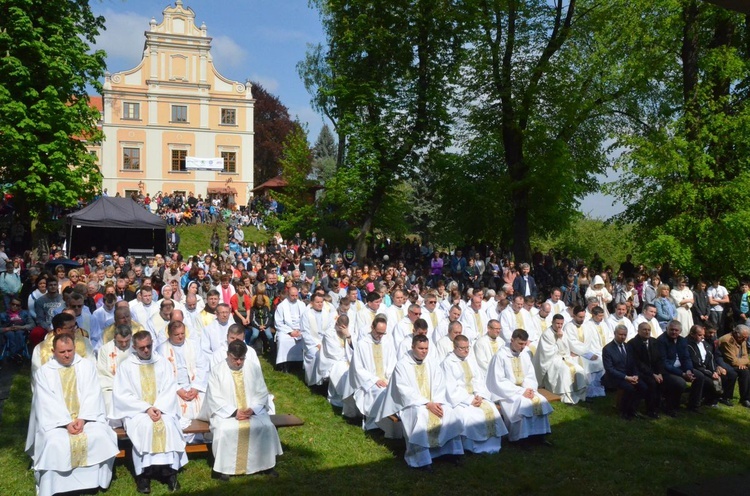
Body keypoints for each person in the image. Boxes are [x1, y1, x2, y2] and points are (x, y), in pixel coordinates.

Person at [30, 334, 119, 496]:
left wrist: (82, 418)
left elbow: (92, 395)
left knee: (100, 435)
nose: (67, 355)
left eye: (70, 350)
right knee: (55, 442)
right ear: (53, 351)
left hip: (86, 418)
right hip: (55, 423)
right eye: (62, 351)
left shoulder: (86, 366)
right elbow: (47, 402)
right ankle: (56, 485)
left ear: (74, 349)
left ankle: (94, 482)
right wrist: (66, 422)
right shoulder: (44, 372)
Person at [113, 331, 187, 493]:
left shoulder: (162, 362)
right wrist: (146, 408)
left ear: (152, 343)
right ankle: (144, 476)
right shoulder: (126, 366)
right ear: (134, 347)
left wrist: (158, 407)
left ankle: (170, 472)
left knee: (168, 425)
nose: (146, 350)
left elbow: (169, 388)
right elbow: (122, 394)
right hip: (136, 412)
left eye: (149, 346)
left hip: (163, 408)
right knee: (145, 427)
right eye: (141, 348)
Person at [376, 334, 464, 470]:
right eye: (421, 348)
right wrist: (427, 404)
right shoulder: (402, 365)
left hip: (434, 401)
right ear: (412, 347)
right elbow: (404, 391)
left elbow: (439, 384)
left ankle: (450, 452)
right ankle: (421, 459)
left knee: (449, 412)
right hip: (410, 405)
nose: (424, 351)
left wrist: (436, 402)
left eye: (426, 348)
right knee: (420, 416)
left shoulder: (432, 362)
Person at [205, 340, 283, 480]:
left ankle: (266, 465)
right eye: (235, 359)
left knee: (266, 426)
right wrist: (234, 412)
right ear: (228, 355)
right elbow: (214, 397)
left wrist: (253, 409)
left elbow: (261, 391)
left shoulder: (252, 367)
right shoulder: (217, 370)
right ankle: (224, 469)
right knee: (224, 430)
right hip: (226, 415)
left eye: (242, 358)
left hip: (251, 412)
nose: (239, 362)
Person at [441, 335, 508, 453]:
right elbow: (451, 388)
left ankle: (492, 445)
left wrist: (479, 395)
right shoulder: (448, 363)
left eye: (467, 347)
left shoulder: (470, 359)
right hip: (459, 400)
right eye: (462, 348)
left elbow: (478, 379)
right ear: (454, 347)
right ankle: (472, 446)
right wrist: (469, 399)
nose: (466, 350)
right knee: (470, 416)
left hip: (476, 396)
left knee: (492, 410)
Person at [486, 329, 553, 443]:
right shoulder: (501, 356)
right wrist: (520, 391)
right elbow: (499, 381)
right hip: (507, 393)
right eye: (520, 344)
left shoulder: (525, 354)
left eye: (524, 344)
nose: (522, 347)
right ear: (512, 340)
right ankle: (521, 438)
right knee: (524, 404)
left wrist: (529, 389)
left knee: (540, 400)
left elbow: (530, 375)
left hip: (524, 389)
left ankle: (539, 436)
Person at [157, 320, 209, 437]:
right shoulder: (161, 349)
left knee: (206, 404)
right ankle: (181, 438)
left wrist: (195, 388)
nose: (180, 337)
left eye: (182, 333)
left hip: (194, 386)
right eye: (177, 334)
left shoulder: (193, 345)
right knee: (173, 407)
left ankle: (203, 437)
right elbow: (162, 374)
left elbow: (202, 366)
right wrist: (178, 390)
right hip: (173, 388)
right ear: (169, 334)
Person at [349, 315, 397, 432]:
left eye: (383, 333)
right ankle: (374, 424)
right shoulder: (362, 344)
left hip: (386, 379)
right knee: (381, 393)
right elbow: (358, 369)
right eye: (378, 332)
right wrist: (375, 380)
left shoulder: (387, 342)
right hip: (369, 382)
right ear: (372, 327)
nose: (380, 336)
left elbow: (392, 362)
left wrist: (389, 378)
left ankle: (392, 428)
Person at [533, 314, 587, 404]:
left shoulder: (562, 333)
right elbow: (548, 353)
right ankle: (565, 396)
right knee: (565, 370)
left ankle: (580, 394)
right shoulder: (547, 334)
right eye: (557, 323)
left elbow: (565, 349)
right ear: (552, 322)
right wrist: (559, 339)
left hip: (564, 358)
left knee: (579, 369)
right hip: (552, 360)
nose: (559, 326)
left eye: (561, 324)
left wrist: (561, 339)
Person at [656, 320, 706, 415]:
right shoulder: (661, 341)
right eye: (671, 330)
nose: (674, 332)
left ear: (680, 331)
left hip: (682, 368)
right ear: (667, 329)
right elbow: (664, 363)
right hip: (666, 370)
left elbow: (686, 357)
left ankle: (693, 405)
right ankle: (670, 407)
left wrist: (688, 370)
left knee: (699, 376)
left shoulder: (682, 340)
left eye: (676, 330)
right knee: (680, 382)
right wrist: (682, 374)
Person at [602, 325, 646, 419]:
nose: (622, 337)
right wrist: (626, 377)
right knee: (629, 388)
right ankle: (624, 411)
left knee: (643, 387)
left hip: (629, 375)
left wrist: (635, 375)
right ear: (615, 334)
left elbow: (633, 363)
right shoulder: (607, 349)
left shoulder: (628, 347)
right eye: (620, 334)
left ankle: (633, 409)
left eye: (624, 335)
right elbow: (609, 369)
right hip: (615, 377)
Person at [96, 324, 132, 419]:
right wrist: (118, 386)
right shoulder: (105, 350)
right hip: (111, 387)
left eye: (127, 341)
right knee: (108, 403)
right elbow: (103, 373)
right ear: (114, 338)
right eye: (120, 342)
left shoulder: (135, 347)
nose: (124, 344)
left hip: (133, 388)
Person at [323, 315, 357, 416]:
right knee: (342, 372)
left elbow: (354, 348)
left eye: (344, 327)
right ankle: (341, 397)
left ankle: (352, 399)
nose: (342, 329)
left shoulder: (349, 331)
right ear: (336, 324)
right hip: (333, 360)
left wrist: (348, 336)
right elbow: (332, 352)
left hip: (348, 359)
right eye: (340, 327)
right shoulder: (330, 334)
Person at [300, 293, 336, 386]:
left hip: (325, 341)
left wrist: (325, 342)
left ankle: (327, 380)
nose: (320, 304)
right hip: (312, 343)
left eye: (321, 302)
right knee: (317, 356)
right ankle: (314, 382)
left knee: (332, 356)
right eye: (317, 302)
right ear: (312, 303)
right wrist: (316, 344)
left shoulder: (326, 313)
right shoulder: (306, 314)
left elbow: (330, 328)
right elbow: (305, 332)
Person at [686, 325, 722, 407]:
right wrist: (710, 373)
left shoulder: (704, 343)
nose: (702, 337)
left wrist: (714, 371)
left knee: (720, 377)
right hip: (694, 368)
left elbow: (711, 358)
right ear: (692, 334)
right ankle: (694, 403)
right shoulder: (688, 344)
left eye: (703, 335)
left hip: (705, 368)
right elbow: (695, 362)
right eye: (699, 335)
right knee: (708, 381)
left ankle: (712, 400)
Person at [274, 286, 306, 372]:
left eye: (296, 295)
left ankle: (300, 363)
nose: (295, 297)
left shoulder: (302, 305)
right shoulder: (281, 306)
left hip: (300, 330)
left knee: (306, 339)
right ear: (288, 294)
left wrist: (300, 330)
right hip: (286, 330)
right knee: (282, 340)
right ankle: (284, 364)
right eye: (292, 295)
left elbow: (305, 319)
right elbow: (278, 322)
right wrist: (290, 331)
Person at [717, 324, 750, 408]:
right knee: (735, 373)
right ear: (736, 333)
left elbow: (745, 356)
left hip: (737, 363)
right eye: (743, 337)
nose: (745, 339)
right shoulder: (727, 340)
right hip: (724, 362)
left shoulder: (742, 340)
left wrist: (744, 364)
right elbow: (733, 361)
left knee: (746, 372)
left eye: (746, 337)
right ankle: (726, 396)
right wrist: (743, 363)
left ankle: (745, 398)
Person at [0, 296, 33, 361]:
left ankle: (17, 354)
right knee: (10, 334)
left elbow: (32, 324)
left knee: (19, 333)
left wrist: (21, 327)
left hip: (21, 330)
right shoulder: (2, 315)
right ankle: (14, 354)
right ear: (9, 304)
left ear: (20, 307)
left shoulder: (25, 313)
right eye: (13, 304)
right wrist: (7, 329)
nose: (15, 306)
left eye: (17, 305)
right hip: (8, 331)